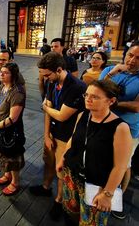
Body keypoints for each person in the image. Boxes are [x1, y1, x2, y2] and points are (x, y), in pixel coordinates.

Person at [57, 80, 132, 226]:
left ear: (111, 101)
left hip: (97, 185)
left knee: (91, 222)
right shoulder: (83, 115)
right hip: (72, 175)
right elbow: (73, 140)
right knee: (70, 213)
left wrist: (107, 194)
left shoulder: (120, 128)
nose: (88, 99)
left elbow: (120, 166)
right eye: (87, 95)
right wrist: (62, 159)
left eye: (95, 97)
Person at [100, 39, 139, 219]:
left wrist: (112, 103)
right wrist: (112, 73)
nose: (132, 60)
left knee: (122, 167)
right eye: (130, 55)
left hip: (127, 132)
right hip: (101, 127)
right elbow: (95, 92)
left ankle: (116, 202)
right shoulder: (111, 70)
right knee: (101, 164)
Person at [30, 52, 86, 221]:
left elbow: (62, 115)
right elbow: (48, 109)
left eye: (47, 74)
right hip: (53, 133)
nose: (45, 78)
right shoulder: (51, 82)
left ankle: (59, 200)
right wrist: (46, 135)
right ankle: (46, 187)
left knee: (61, 171)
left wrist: (46, 108)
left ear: (59, 69)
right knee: (49, 162)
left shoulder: (76, 86)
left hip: (67, 137)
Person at [0, 63, 26, 196]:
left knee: (12, 156)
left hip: (11, 130)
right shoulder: (1, 86)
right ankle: (7, 175)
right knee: (2, 153)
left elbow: (13, 118)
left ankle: (15, 182)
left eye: (5, 73)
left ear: (13, 75)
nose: (1, 75)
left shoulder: (18, 92)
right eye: (1, 72)